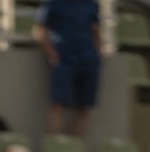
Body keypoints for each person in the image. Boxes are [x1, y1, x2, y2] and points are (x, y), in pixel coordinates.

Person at [34, 0, 102, 138]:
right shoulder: (54, 4)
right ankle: (53, 148)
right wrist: (52, 54)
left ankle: (75, 151)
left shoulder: (91, 5)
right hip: (64, 58)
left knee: (84, 106)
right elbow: (40, 32)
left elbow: (95, 30)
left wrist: (98, 53)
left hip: (87, 58)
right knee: (58, 104)